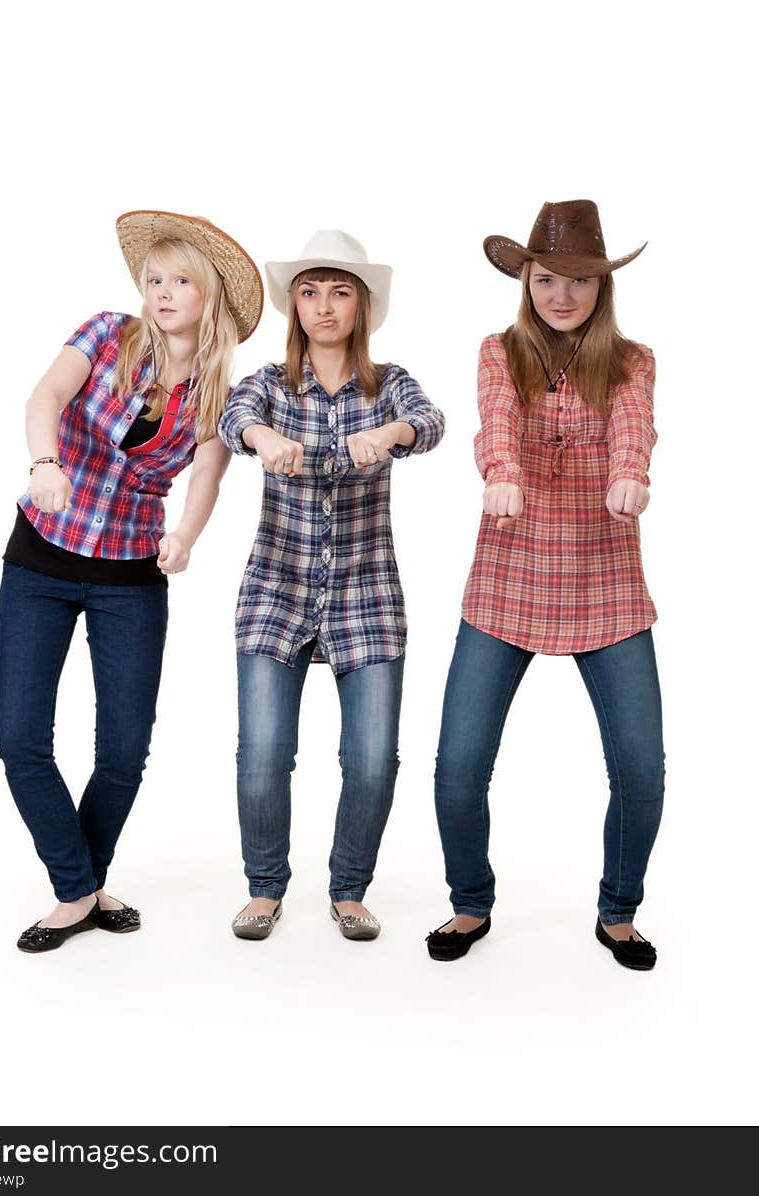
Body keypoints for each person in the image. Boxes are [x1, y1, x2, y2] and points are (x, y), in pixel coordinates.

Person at [0, 210, 263, 953]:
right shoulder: (108, 333)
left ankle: (81, 885)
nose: (163, 292)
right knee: (20, 739)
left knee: (122, 751)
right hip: (42, 557)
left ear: (209, 298)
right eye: (155, 279)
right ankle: (79, 888)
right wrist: (44, 463)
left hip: (132, 577)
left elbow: (207, 473)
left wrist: (186, 534)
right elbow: (44, 396)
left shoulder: (216, 391)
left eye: (181, 281)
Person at [427, 200, 664, 969]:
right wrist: (501, 474)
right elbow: (495, 420)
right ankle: (470, 904)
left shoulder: (633, 360)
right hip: (507, 578)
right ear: (525, 279)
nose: (561, 295)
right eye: (546, 278)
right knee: (459, 766)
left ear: (602, 288)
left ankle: (618, 910)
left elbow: (634, 423)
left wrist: (631, 474)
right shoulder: (500, 351)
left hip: (606, 580)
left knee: (641, 767)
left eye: (579, 281)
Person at [219, 230, 444, 941]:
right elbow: (232, 418)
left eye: (340, 292)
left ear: (362, 306)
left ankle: (349, 890)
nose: (324, 306)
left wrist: (393, 436)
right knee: (262, 755)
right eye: (311, 293)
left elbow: (431, 421)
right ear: (296, 305)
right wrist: (262, 440)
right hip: (274, 592)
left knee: (373, 759)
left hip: (366, 596)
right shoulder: (269, 385)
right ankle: (264, 888)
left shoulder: (389, 383)